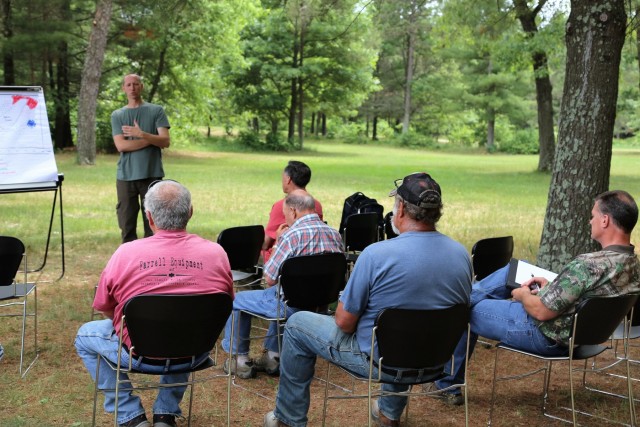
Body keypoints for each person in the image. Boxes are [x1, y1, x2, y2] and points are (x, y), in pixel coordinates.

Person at [263, 172, 473, 427]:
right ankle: (388, 412)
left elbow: (344, 322)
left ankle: (287, 418)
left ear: (402, 209)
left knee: (296, 324)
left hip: (378, 360)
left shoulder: (376, 255)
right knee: (407, 331)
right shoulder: (461, 254)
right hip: (436, 358)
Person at [431, 190, 640, 405]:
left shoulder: (589, 265)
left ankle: (448, 382)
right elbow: (590, 299)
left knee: (466, 308)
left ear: (605, 220)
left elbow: (541, 311)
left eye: (593, 215)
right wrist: (552, 288)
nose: (590, 221)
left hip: (545, 334)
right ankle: (450, 307)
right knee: (510, 272)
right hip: (577, 334)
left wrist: (521, 295)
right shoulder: (632, 264)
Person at [75, 180, 233, 427]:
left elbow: (105, 306)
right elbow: (222, 307)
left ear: (148, 217)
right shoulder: (217, 253)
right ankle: (165, 414)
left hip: (140, 353)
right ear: (190, 212)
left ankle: (129, 416)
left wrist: (141, 324)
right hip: (195, 351)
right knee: (187, 324)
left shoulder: (125, 253)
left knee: (84, 335)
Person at [222, 189, 342, 379]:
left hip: (289, 305)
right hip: (319, 305)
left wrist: (277, 242)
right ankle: (273, 356)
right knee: (287, 290)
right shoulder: (334, 234)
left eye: (286, 214)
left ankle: (240, 360)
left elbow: (269, 278)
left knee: (238, 299)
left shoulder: (291, 236)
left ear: (293, 211)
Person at [111, 73, 171, 243]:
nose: (132, 88)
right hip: (126, 176)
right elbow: (121, 146)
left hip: (151, 174)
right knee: (126, 221)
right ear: (124, 88)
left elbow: (165, 141)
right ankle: (129, 259)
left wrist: (141, 134)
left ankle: (152, 258)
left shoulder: (156, 110)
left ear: (142, 86)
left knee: (153, 222)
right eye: (128, 85)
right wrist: (150, 140)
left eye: (136, 84)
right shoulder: (117, 115)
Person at [262, 161, 323, 263]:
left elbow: (265, 244)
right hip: (310, 258)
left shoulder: (281, 206)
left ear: (288, 179)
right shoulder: (316, 204)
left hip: (283, 259)